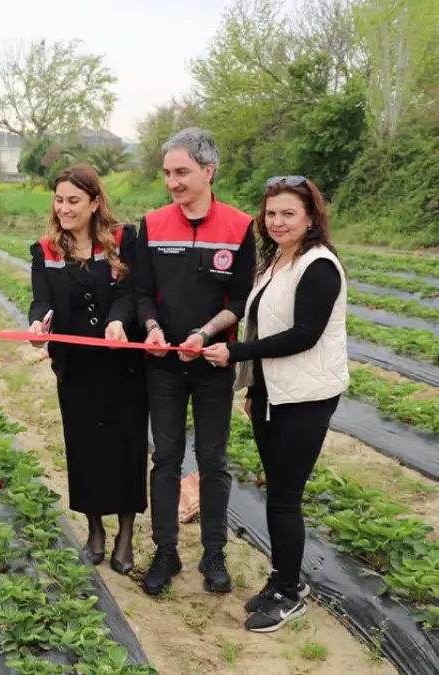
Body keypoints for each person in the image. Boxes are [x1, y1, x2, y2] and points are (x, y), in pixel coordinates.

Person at [202, 176, 347, 632]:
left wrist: (235, 355)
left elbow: (304, 335)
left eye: (289, 213)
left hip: (306, 397)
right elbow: (261, 325)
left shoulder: (318, 266)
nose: (278, 221)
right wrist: (254, 389)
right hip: (273, 394)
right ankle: (284, 579)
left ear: (310, 217)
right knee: (276, 495)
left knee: (285, 499)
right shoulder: (276, 261)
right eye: (271, 214)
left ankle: (288, 592)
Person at [133, 127, 256, 596]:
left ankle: (214, 554)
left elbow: (241, 299)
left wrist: (204, 333)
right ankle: (166, 551)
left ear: (208, 171)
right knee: (164, 458)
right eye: (167, 173)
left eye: (181, 172)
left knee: (213, 459)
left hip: (211, 365)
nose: (172, 182)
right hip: (163, 365)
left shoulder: (240, 227)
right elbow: (143, 293)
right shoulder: (153, 223)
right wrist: (153, 330)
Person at [27, 165, 148, 575]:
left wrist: (118, 319)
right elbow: (40, 300)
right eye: (59, 200)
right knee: (85, 448)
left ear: (95, 202)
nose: (64, 208)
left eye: (74, 201)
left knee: (127, 447)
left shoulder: (121, 240)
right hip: (77, 368)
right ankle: (95, 528)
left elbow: (131, 291)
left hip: (122, 366)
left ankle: (126, 533)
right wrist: (38, 323)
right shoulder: (46, 250)